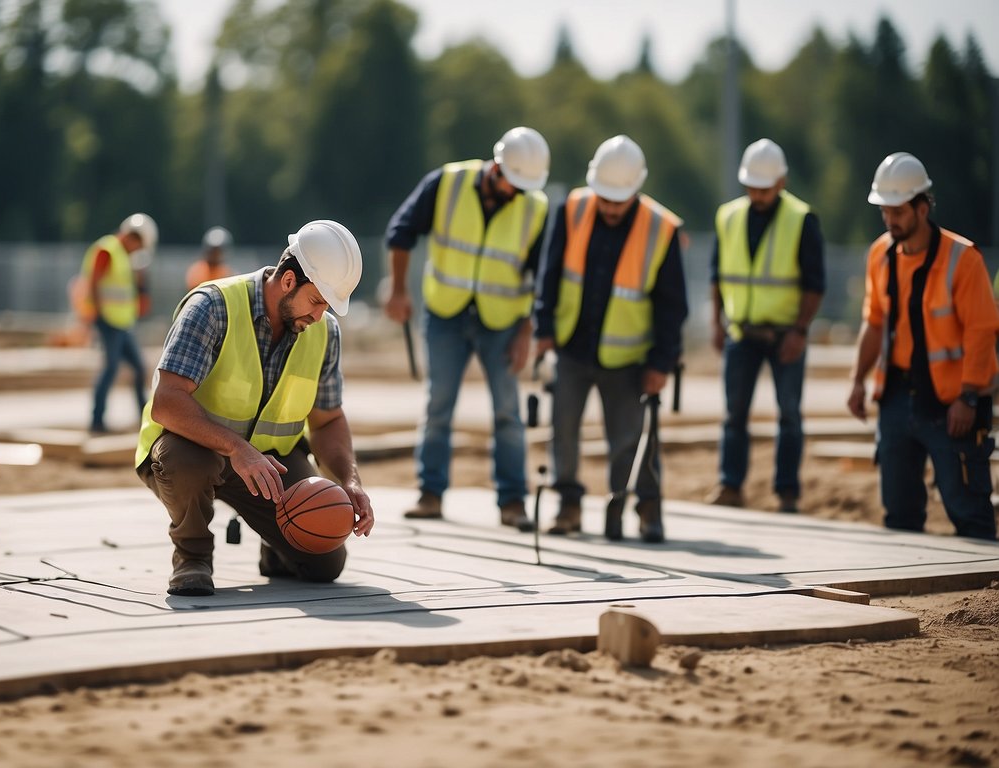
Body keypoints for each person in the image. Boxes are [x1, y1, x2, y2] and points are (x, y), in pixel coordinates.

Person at [136, 219, 375, 596]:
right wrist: (236, 448)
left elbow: (328, 421)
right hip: (190, 450)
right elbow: (167, 403)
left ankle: (276, 548)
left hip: (270, 462)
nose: (318, 317)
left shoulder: (324, 332)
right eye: (316, 301)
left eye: (326, 306)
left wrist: (350, 480)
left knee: (325, 564)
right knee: (189, 464)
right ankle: (192, 556)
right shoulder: (213, 306)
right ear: (288, 280)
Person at [384, 126, 551, 533]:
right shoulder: (447, 183)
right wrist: (399, 289)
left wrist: (527, 332)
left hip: (504, 323)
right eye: (512, 183)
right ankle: (430, 494)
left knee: (508, 413)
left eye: (523, 187)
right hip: (446, 313)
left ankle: (513, 501)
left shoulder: (536, 207)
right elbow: (400, 233)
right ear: (496, 168)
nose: (516, 193)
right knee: (438, 406)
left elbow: (543, 276)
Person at [532, 135, 688, 543]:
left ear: (637, 188)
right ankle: (568, 506)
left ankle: (644, 508)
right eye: (606, 197)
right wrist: (544, 333)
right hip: (571, 347)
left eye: (620, 200)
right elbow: (549, 276)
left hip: (630, 358)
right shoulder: (572, 210)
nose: (612, 207)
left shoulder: (661, 228)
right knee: (562, 430)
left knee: (633, 441)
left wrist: (661, 363)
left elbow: (672, 308)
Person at [847, 152, 998, 541]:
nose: (889, 219)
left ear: (921, 206)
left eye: (897, 211)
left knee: (968, 509)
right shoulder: (881, 254)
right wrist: (857, 381)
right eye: (884, 211)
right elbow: (874, 321)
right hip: (897, 399)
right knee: (898, 514)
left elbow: (981, 332)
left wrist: (968, 398)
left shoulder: (963, 259)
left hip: (952, 405)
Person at [708, 138, 826, 514]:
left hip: (784, 335)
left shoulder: (801, 218)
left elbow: (814, 284)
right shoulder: (728, 216)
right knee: (733, 415)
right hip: (741, 333)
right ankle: (730, 486)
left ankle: (787, 493)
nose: (757, 194)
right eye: (751, 187)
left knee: (789, 414)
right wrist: (716, 321)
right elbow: (717, 274)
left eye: (764, 187)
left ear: (781, 182)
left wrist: (800, 331)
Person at [84, 213, 156, 435]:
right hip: (108, 320)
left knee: (138, 367)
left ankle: (144, 419)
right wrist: (98, 314)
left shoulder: (123, 255)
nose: (138, 250)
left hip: (122, 322)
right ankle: (97, 421)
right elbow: (93, 282)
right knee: (111, 367)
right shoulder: (107, 249)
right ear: (133, 237)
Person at [186, 226, 234, 291]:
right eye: (213, 250)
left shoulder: (226, 271)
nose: (215, 254)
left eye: (218, 251)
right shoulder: (198, 270)